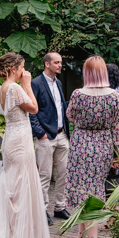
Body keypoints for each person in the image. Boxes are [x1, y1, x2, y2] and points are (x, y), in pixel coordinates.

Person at [0, 53, 51, 238]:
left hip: (11, 139)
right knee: (20, 188)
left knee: (14, 187)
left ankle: (13, 233)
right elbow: (34, 108)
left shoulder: (2, 89)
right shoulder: (15, 88)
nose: (24, 72)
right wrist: (27, 84)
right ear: (13, 70)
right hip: (19, 142)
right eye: (21, 68)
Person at [66, 56, 119, 238]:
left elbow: (70, 115)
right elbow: (117, 128)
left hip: (81, 144)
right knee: (92, 196)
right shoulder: (114, 96)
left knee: (85, 196)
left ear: (86, 72)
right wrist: (117, 155)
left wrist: (83, 123)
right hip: (103, 145)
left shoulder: (78, 94)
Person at [29, 52, 70, 223]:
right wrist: (41, 134)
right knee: (44, 175)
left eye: (61, 62)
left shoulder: (58, 83)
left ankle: (60, 206)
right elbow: (32, 111)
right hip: (46, 136)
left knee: (63, 173)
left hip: (62, 135)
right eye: (56, 62)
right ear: (47, 64)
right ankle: (43, 210)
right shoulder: (36, 83)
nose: (60, 65)